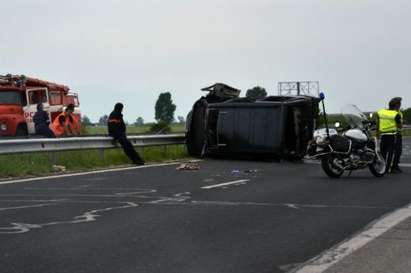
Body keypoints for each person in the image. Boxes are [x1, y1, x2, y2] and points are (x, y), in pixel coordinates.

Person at [377, 97, 403, 173]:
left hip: (383, 134)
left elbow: (378, 123)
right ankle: (390, 168)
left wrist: (377, 133)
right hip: (394, 134)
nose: (400, 105)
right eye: (399, 104)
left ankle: (385, 167)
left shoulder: (382, 112)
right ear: (397, 105)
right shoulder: (396, 114)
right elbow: (400, 126)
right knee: (394, 152)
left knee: (383, 152)